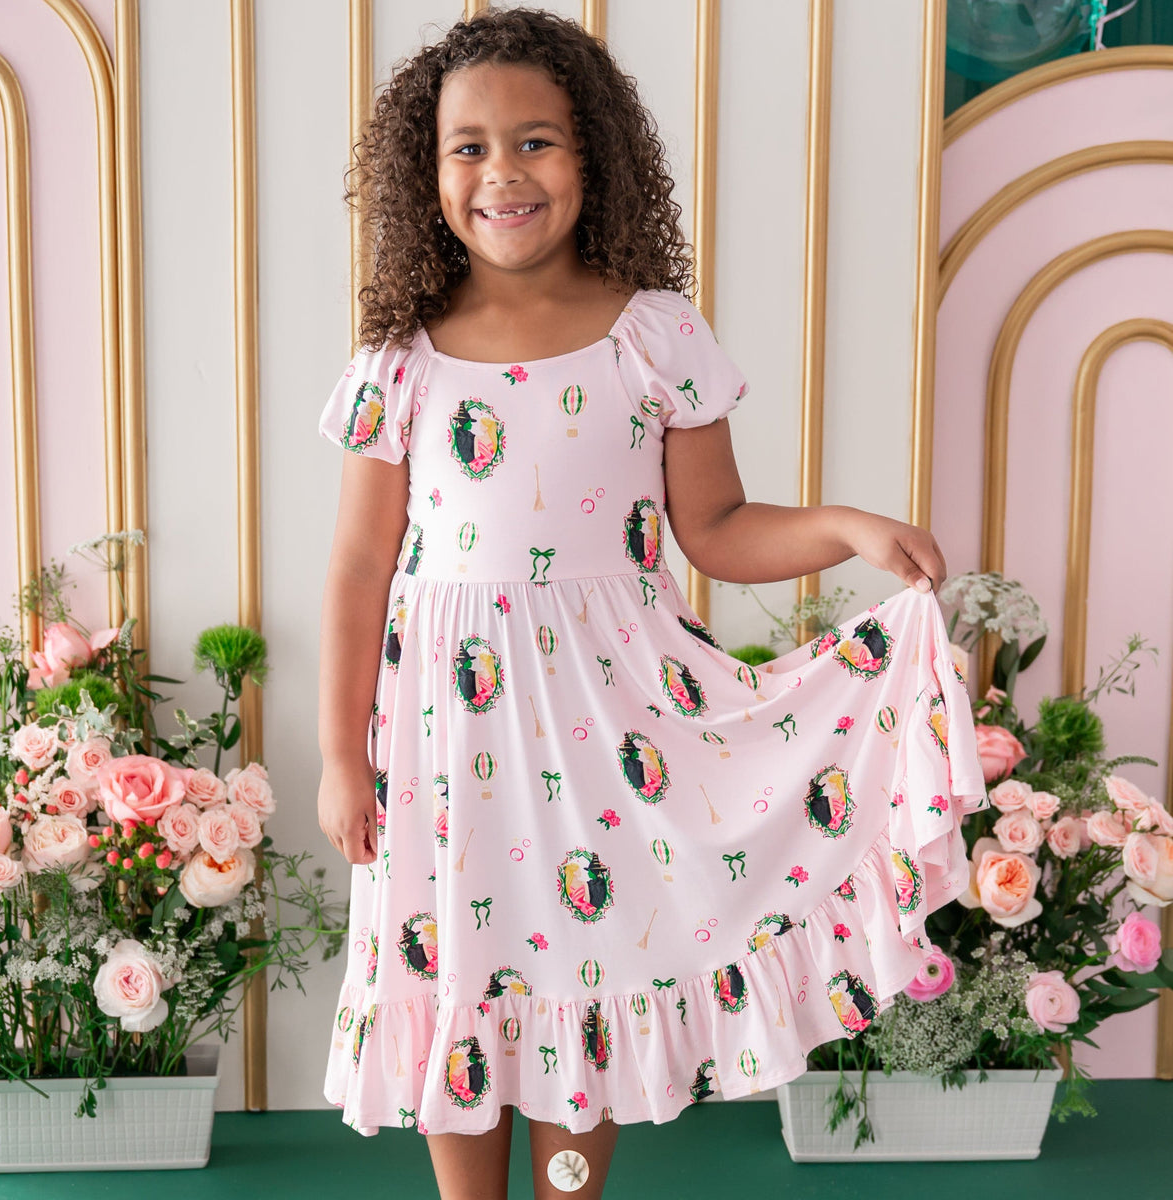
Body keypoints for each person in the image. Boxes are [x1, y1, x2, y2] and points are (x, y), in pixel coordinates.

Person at [315, 8, 989, 1199]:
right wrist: (339, 757)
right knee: (461, 970)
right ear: (425, 174)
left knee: (583, 967)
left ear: (594, 158)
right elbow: (362, 568)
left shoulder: (654, 334)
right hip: (443, 739)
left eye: (536, 142)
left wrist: (842, 525)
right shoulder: (400, 359)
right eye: (467, 148)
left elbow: (715, 530)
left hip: (610, 720)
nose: (502, 174)